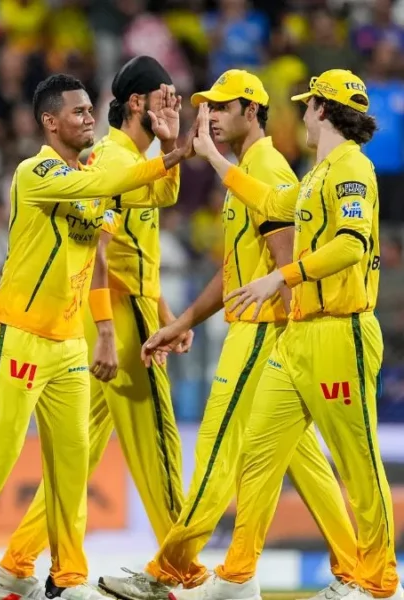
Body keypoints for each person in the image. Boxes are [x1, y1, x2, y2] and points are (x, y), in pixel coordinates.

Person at [0, 72, 192, 600]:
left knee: (71, 463)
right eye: (79, 112)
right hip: (20, 332)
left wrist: (107, 332)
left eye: (91, 110)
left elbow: (109, 247)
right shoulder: (36, 171)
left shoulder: (90, 176)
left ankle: (67, 578)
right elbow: (101, 185)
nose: (90, 118)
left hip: (70, 341)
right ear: (50, 121)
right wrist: (176, 154)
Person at [97, 69, 359, 600]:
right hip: (267, 333)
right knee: (303, 460)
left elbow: (285, 261)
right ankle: (357, 573)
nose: (210, 117)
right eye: (208, 107)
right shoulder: (246, 170)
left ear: (251, 111)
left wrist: (289, 333)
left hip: (262, 333)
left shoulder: (265, 167)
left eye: (221, 107)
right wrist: (181, 322)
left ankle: (168, 571)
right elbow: (237, 270)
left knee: (216, 450)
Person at [173, 69, 401, 600]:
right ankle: (236, 577)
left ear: (323, 109)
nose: (301, 114)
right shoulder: (319, 173)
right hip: (299, 335)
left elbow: (350, 244)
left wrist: (282, 276)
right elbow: (274, 204)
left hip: (341, 332)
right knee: (258, 452)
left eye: (307, 105)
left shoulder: (352, 168)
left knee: (358, 464)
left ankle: (378, 583)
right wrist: (213, 159)